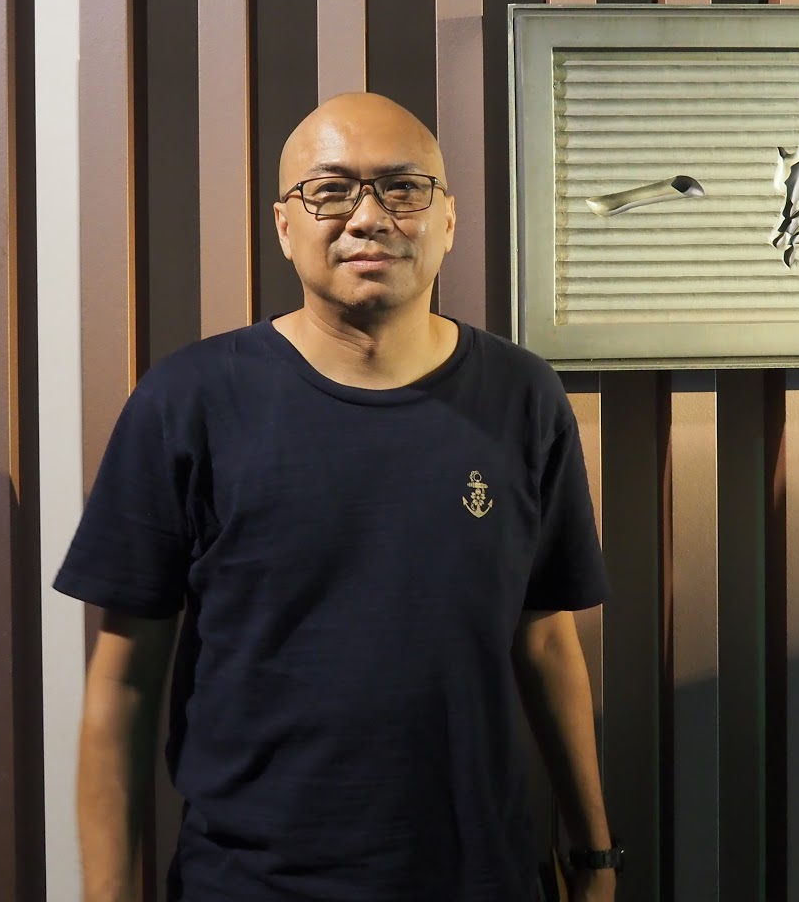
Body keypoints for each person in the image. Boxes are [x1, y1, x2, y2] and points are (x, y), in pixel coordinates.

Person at [56, 92, 618, 902]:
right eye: (330, 190)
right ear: (285, 226)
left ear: (448, 220)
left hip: (479, 878)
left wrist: (594, 857)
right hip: (249, 884)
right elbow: (125, 681)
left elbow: (547, 638)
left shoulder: (522, 397)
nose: (367, 217)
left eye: (402, 188)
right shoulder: (188, 402)